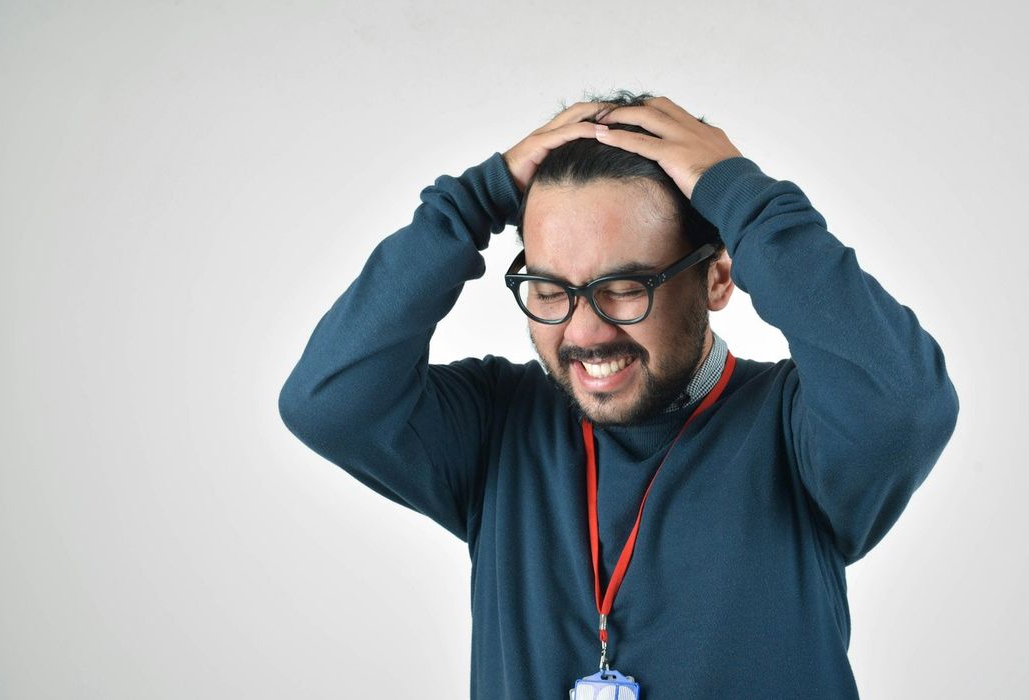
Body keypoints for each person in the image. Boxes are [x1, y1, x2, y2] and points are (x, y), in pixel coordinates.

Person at [278, 91, 960, 698]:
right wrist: (472, 201)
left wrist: (745, 199)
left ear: (718, 278)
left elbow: (903, 402)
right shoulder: (495, 426)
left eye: (624, 288)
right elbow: (328, 400)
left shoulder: (799, 426)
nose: (583, 331)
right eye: (549, 290)